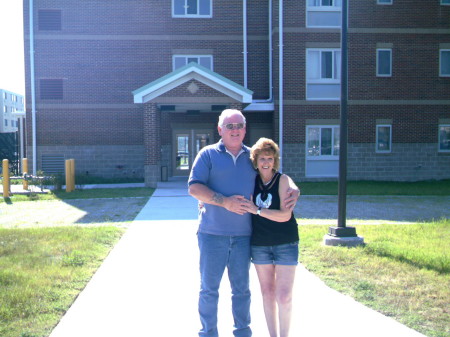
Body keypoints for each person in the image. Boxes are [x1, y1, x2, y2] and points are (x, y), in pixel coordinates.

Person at [188, 109, 299, 337]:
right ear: (220, 130)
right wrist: (224, 202)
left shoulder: (253, 157)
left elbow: (275, 175)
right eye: (229, 126)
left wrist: (294, 187)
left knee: (241, 291)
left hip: (244, 237)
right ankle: (208, 333)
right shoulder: (207, 155)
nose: (235, 130)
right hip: (212, 235)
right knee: (209, 290)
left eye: (239, 125)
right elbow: (194, 188)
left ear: (245, 129)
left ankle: (242, 332)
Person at [243, 137, 300, 337]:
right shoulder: (252, 180)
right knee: (267, 294)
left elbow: (285, 215)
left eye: (269, 158)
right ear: (255, 161)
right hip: (260, 245)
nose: (266, 163)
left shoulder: (283, 180)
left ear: (274, 160)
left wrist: (257, 210)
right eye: (262, 159)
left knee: (283, 296)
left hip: (285, 242)